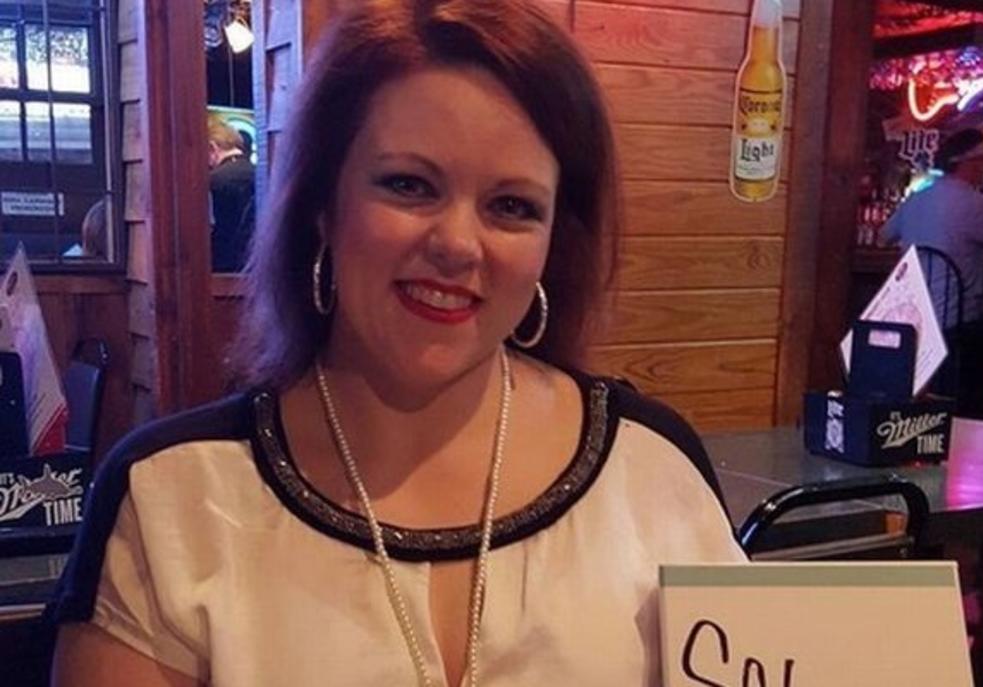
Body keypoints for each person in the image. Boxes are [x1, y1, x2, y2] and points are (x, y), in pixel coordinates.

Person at [49, 2, 745, 685]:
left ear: (554, 239)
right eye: (409, 185)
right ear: (324, 204)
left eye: (512, 206)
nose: (457, 244)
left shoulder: (654, 469)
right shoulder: (172, 498)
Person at [881, 128, 983, 418]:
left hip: (911, 315)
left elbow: (883, 236)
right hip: (957, 322)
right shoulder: (975, 204)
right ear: (966, 163)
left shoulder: (918, 198)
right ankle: (975, 418)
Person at [208, 116, 255, 272]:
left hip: (221, 270)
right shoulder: (261, 174)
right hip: (258, 265)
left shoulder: (211, 181)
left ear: (212, 147)